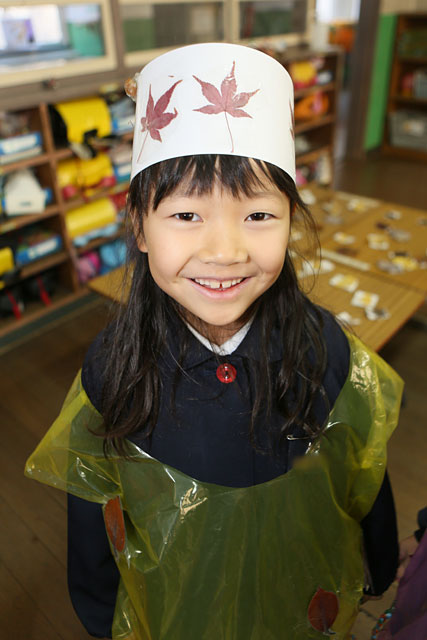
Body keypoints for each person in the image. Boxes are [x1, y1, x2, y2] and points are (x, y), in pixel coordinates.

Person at [25, 43, 403, 640]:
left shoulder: (328, 350)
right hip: (176, 609)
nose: (225, 252)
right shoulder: (112, 368)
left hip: (300, 597)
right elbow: (93, 504)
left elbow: (365, 469)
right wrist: (100, 613)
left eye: (258, 216)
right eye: (186, 216)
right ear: (139, 228)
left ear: (291, 220)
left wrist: (378, 561)